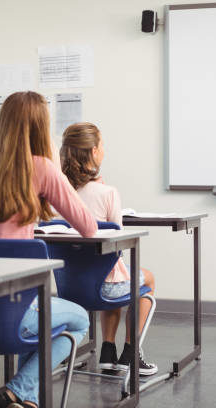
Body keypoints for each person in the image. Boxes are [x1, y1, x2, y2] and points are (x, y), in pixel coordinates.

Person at [0, 91, 98, 407]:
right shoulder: (42, 168)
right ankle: (17, 392)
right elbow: (88, 226)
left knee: (42, 315)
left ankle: (23, 398)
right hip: (13, 316)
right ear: (39, 128)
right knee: (77, 320)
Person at [59, 122, 158, 376]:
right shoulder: (107, 193)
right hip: (104, 290)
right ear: (93, 151)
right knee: (142, 276)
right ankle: (130, 352)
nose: (104, 149)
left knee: (113, 271)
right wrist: (102, 189)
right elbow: (117, 243)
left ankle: (107, 350)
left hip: (68, 288)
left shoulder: (56, 193)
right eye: (102, 145)